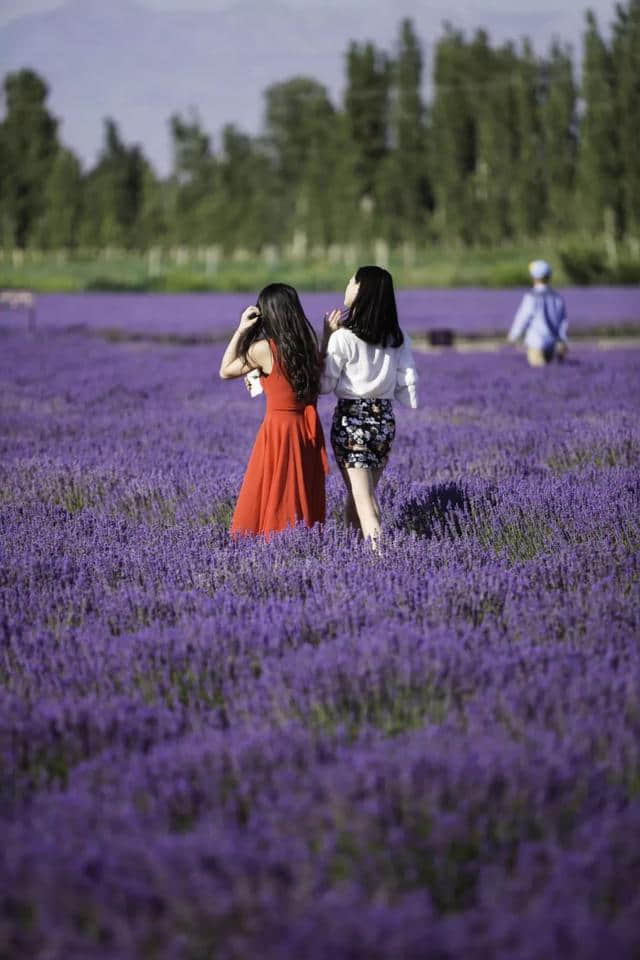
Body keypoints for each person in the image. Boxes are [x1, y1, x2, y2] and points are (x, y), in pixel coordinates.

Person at [319, 265, 419, 548]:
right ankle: (357, 552)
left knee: (364, 499)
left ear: (361, 290)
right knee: (359, 494)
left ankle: (381, 558)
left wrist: (327, 338)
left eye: (352, 281)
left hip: (353, 420)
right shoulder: (396, 338)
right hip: (384, 420)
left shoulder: (343, 338)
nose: (347, 285)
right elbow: (406, 381)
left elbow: (324, 386)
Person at [219, 283, 328, 539]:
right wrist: (329, 334)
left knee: (276, 488)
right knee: (301, 488)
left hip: (278, 430)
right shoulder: (308, 346)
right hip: (307, 429)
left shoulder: (264, 349)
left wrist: (241, 329)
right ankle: (303, 540)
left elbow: (225, 370)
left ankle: (276, 541)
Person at [508, 259, 568, 366]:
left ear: (533, 277)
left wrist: (514, 336)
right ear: (549, 276)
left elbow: (523, 317)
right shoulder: (556, 297)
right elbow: (563, 321)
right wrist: (563, 340)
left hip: (536, 342)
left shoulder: (531, 297)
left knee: (539, 374)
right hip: (552, 343)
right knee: (550, 375)